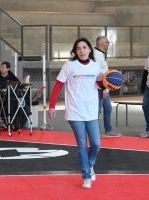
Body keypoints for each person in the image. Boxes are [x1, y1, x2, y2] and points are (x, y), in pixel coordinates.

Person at [48, 38, 103, 189]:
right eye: (78, 48)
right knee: (81, 145)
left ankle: (90, 165)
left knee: (97, 144)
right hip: (74, 112)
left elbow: (101, 82)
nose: (82, 51)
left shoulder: (95, 66)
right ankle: (86, 176)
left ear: (90, 50)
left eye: (84, 48)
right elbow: (58, 85)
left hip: (91, 111)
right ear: (75, 51)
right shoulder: (69, 65)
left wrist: (112, 83)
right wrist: (52, 106)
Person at [94, 36, 122, 138]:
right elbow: (97, 74)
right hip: (99, 87)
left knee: (108, 108)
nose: (108, 44)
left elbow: (105, 73)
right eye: (107, 42)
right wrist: (103, 89)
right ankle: (96, 131)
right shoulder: (96, 55)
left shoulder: (101, 54)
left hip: (104, 87)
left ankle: (108, 130)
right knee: (97, 110)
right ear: (102, 44)